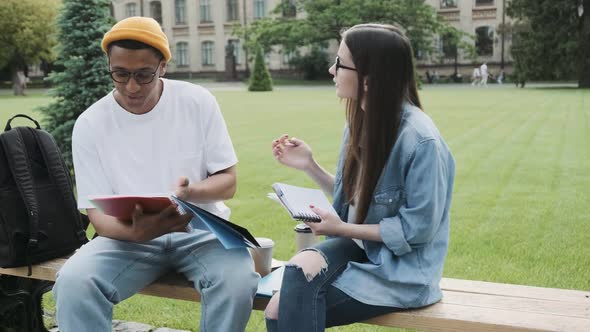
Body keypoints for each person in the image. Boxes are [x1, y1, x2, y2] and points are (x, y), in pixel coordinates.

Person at [52, 17, 259, 332]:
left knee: (238, 282)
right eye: (120, 74)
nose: (131, 86)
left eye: (143, 75)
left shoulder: (197, 102)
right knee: (74, 282)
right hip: (127, 238)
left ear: (163, 66)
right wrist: (136, 233)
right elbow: (97, 216)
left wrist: (191, 193)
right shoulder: (90, 124)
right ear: (109, 66)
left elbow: (228, 182)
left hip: (200, 234)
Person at [265, 23, 455, 332]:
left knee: (281, 311)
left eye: (339, 63)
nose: (331, 69)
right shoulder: (360, 123)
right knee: (294, 275)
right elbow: (355, 196)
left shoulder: (422, 141)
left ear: (369, 78)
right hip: (360, 249)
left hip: (402, 273)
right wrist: (309, 165)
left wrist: (341, 227)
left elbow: (417, 229)